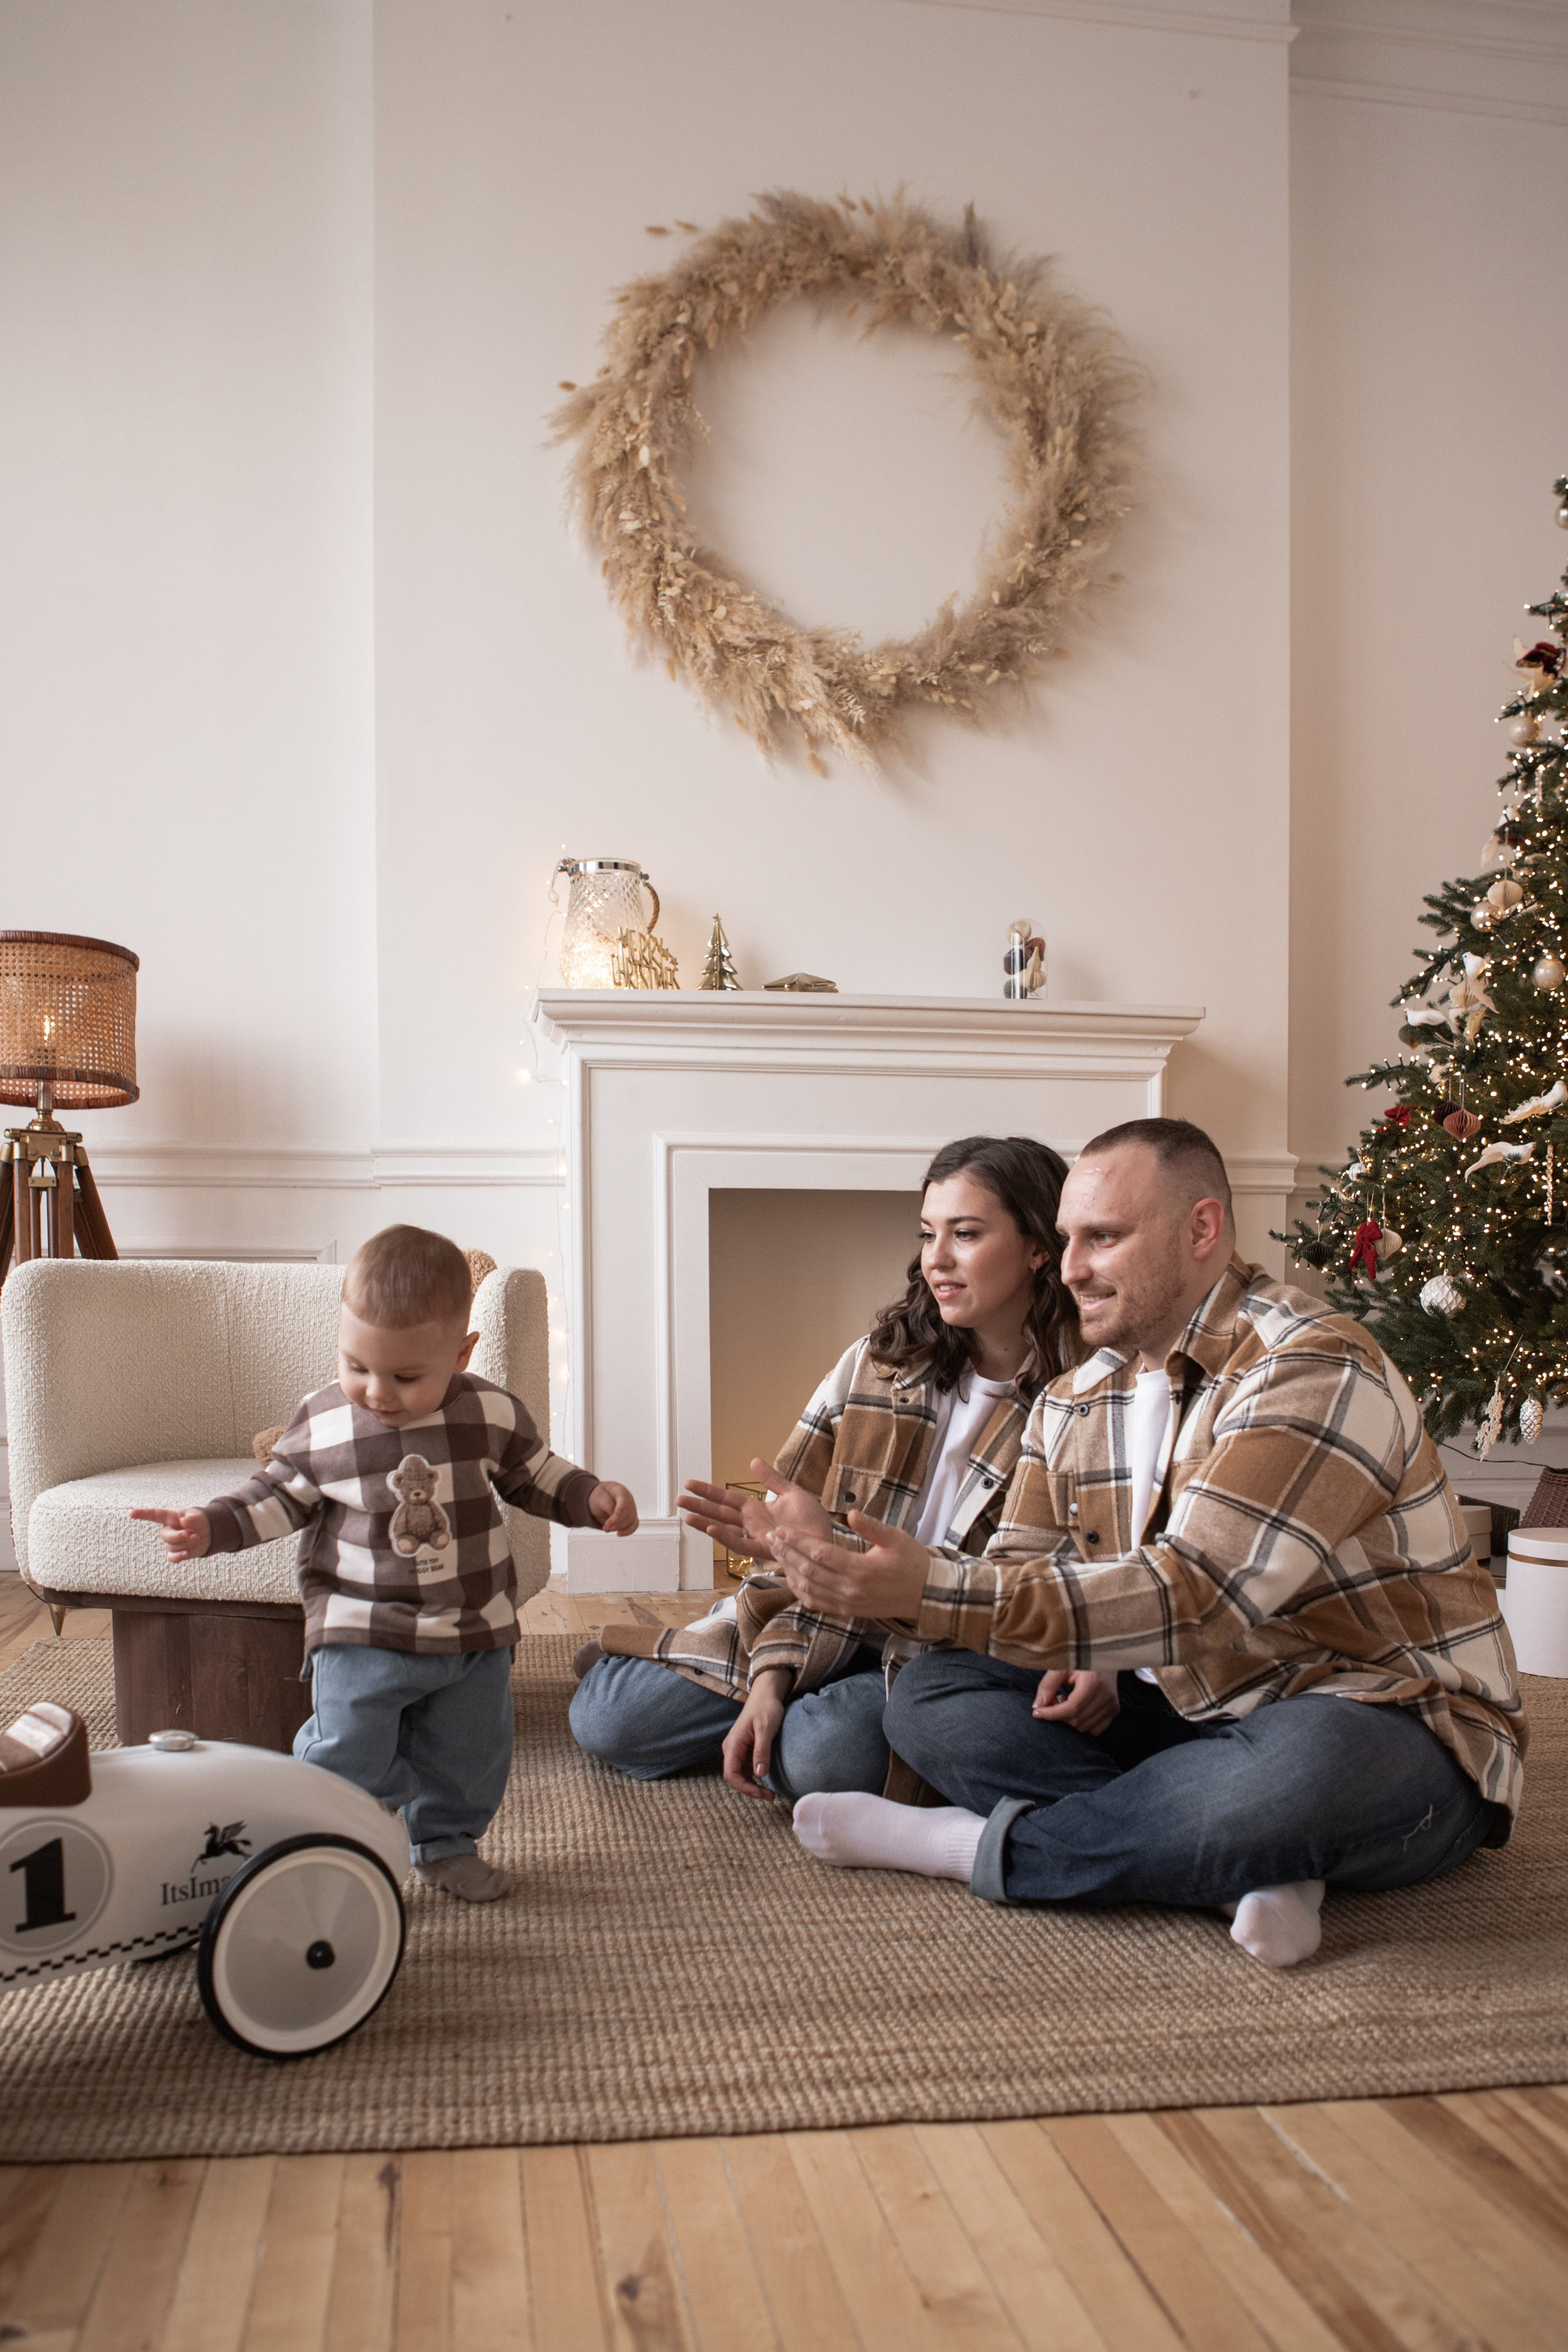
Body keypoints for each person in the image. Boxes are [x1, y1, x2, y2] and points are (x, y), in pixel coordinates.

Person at [767, 1118, 1525, 1968]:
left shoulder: (1309, 1366)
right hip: (1175, 1701)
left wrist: (926, 1590)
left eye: (1105, 1238)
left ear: (1201, 1230)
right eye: (1064, 1240)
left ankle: (973, 1847)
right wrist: (1080, 1651)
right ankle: (1232, 1869)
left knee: (1289, 1781)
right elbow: (1019, 1573)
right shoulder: (1075, 1399)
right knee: (932, 1697)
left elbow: (1198, 1592)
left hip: (1369, 1709)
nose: (1071, 1268)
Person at [568, 1134, 1098, 1802]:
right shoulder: (877, 1362)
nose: (936, 1260)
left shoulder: (1083, 1395)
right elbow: (787, 1539)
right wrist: (770, 1680)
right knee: (608, 1717)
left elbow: (1024, 1592)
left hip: (946, 1655)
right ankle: (767, 1693)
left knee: (825, 1756)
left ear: (1037, 1248)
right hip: (820, 1617)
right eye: (927, 1233)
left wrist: (829, 1554)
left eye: (965, 1234)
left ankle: (780, 1708)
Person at [132, 1224, 638, 1902]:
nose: (376, 1392)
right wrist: (211, 1526)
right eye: (356, 1365)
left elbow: (535, 1474)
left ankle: (446, 1843)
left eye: (405, 1376)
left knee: (469, 1755)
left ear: (461, 1353)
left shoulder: (488, 1412)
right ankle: (324, 1845)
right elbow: (277, 1496)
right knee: (349, 1753)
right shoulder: (323, 1423)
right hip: (361, 1629)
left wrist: (592, 1497)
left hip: (472, 1631)